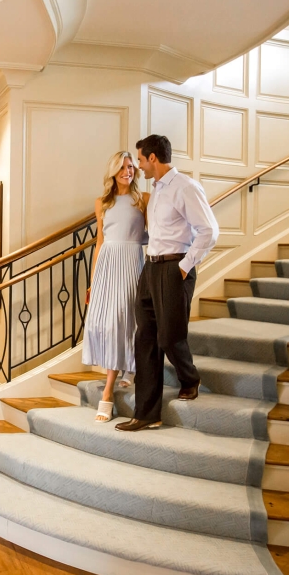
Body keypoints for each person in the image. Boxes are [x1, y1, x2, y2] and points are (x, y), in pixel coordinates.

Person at [116, 134, 219, 432]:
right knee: (145, 337)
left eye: (140, 159)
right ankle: (146, 414)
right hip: (151, 268)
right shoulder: (157, 190)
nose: (138, 165)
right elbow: (160, 232)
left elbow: (209, 231)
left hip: (176, 267)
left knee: (169, 336)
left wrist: (185, 267)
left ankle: (190, 378)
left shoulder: (185, 187)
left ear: (152, 158)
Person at [82, 151, 148, 422]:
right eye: (122, 167)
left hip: (132, 261)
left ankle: (107, 392)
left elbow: (153, 235)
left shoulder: (143, 200)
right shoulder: (102, 203)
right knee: (106, 323)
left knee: (127, 319)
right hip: (108, 265)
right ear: (113, 171)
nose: (127, 171)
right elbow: (99, 243)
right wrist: (93, 279)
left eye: (131, 166)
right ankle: (125, 370)